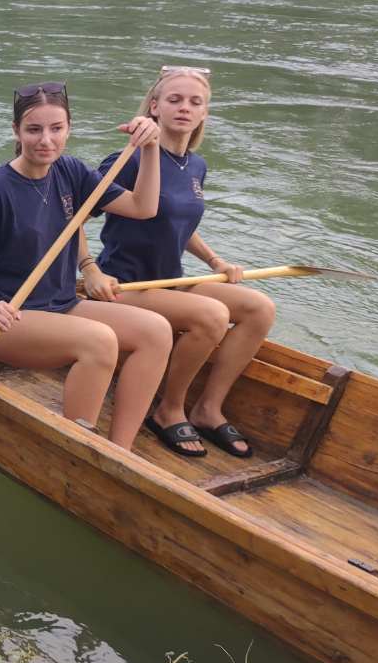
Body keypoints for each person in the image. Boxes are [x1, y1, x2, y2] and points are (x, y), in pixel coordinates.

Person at [0, 83, 171, 453]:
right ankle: (78, 451)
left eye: (56, 128)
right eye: (34, 129)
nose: (46, 140)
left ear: (69, 129)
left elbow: (143, 207)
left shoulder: (70, 171)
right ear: (16, 131)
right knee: (100, 341)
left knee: (156, 331)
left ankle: (120, 453)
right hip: (8, 317)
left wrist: (150, 148)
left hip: (60, 303)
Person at [80, 67, 275, 460]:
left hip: (169, 280)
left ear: (204, 113)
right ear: (154, 107)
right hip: (126, 285)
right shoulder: (127, 160)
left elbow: (179, 225)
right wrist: (90, 270)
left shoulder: (196, 166)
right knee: (211, 316)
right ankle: (169, 409)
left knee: (259, 308)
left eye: (194, 102)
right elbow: (72, 217)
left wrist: (216, 261)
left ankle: (207, 409)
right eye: (174, 100)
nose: (184, 107)